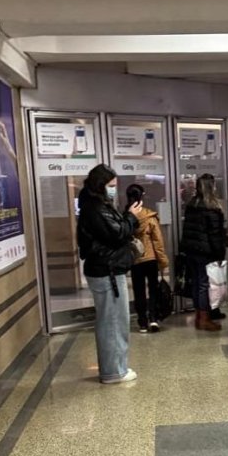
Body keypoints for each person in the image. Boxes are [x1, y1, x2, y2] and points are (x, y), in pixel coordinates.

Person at [77, 164, 142, 384]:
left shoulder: (96, 204)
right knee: (113, 322)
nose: (114, 189)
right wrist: (131, 217)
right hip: (107, 271)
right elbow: (117, 233)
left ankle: (116, 367)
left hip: (107, 269)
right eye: (111, 185)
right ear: (101, 185)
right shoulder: (96, 208)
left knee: (114, 320)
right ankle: (114, 372)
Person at [180, 173, 227, 331]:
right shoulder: (212, 207)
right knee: (204, 285)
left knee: (197, 284)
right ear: (211, 187)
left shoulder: (192, 204)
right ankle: (204, 319)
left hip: (191, 250)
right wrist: (220, 253)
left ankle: (199, 316)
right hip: (205, 252)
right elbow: (215, 234)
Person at [125, 184, 169, 333]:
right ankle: (153, 319)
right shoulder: (149, 216)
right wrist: (163, 261)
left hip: (135, 259)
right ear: (142, 197)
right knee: (153, 289)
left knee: (138, 291)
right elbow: (158, 241)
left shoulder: (125, 217)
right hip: (150, 258)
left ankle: (142, 322)